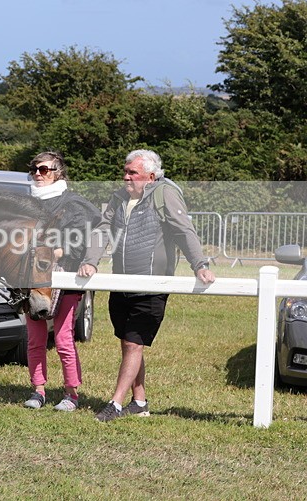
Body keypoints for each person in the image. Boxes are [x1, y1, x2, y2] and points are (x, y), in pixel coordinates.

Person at [78, 149, 216, 422]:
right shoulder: (118, 198)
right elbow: (103, 230)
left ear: (151, 176)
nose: (126, 177)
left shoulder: (165, 194)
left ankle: (115, 404)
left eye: (133, 173)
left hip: (152, 286)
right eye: (126, 172)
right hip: (122, 284)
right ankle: (139, 402)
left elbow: (183, 230)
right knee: (128, 343)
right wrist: (91, 260)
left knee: (134, 343)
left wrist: (200, 264)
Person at [23, 152, 101, 412]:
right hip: (32, 277)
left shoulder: (75, 203)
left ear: (58, 172)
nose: (37, 173)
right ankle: (38, 390)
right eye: (34, 169)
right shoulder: (26, 202)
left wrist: (60, 250)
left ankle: (72, 393)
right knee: (35, 339)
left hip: (64, 277)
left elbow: (83, 237)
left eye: (44, 170)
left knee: (64, 338)